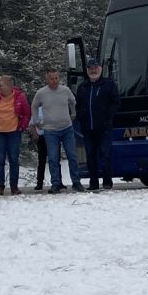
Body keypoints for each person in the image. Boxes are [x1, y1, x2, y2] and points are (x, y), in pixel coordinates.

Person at [31, 68, 81, 193]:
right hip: (50, 130)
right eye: (51, 78)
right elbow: (34, 106)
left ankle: (76, 182)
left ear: (59, 78)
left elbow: (73, 102)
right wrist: (36, 120)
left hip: (67, 128)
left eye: (56, 78)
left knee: (72, 156)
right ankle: (56, 183)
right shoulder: (41, 93)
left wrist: (74, 113)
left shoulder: (65, 90)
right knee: (53, 158)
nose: (54, 81)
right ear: (47, 79)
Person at [75, 56, 120, 192]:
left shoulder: (108, 84)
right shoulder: (83, 86)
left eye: (95, 68)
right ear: (87, 70)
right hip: (88, 127)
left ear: (100, 69)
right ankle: (93, 182)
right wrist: (80, 116)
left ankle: (107, 181)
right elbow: (78, 105)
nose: (93, 70)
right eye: (90, 68)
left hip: (104, 127)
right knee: (90, 155)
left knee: (105, 153)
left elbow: (116, 102)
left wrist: (108, 117)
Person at [0, 74, 30, 195]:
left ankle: (14, 186)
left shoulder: (20, 97)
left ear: (10, 86)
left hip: (14, 132)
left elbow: (27, 113)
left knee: (14, 159)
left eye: (2, 85)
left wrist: (22, 126)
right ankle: (0, 186)